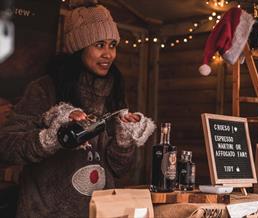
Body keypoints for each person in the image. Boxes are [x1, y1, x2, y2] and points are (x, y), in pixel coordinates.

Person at [0, 3, 156, 217]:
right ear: (79, 47)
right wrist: (52, 138)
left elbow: (119, 169)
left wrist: (124, 142)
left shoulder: (113, 91)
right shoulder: (45, 88)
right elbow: (6, 145)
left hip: (99, 212)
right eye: (100, 45)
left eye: (113, 45)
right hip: (45, 212)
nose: (108, 54)